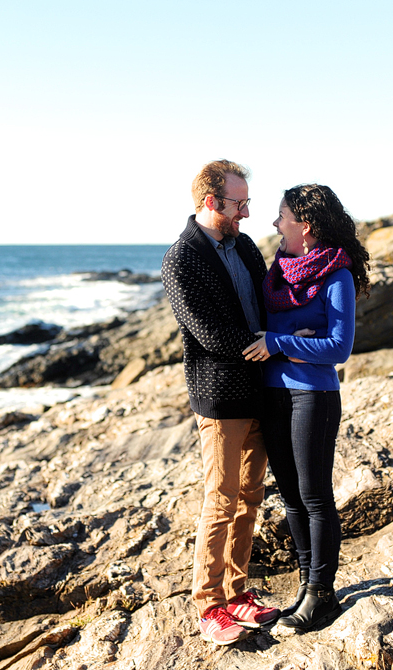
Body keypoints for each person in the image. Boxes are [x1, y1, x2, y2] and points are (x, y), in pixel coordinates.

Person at [162, 160, 281, 646]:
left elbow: (272, 300)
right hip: (220, 397)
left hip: (263, 389)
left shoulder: (246, 246)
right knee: (220, 500)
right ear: (211, 203)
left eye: (248, 202)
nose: (248, 213)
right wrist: (263, 343)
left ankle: (237, 593)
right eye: (240, 204)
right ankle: (209, 605)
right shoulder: (180, 259)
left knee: (251, 497)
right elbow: (207, 332)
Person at [243, 183, 370, 631]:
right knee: (292, 499)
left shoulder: (337, 277)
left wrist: (280, 343)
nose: (275, 224)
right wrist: (299, 344)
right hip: (274, 393)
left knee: (315, 496)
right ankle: (304, 585)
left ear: (306, 227)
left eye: (282, 217)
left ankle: (323, 594)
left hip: (313, 396)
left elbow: (338, 348)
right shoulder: (276, 273)